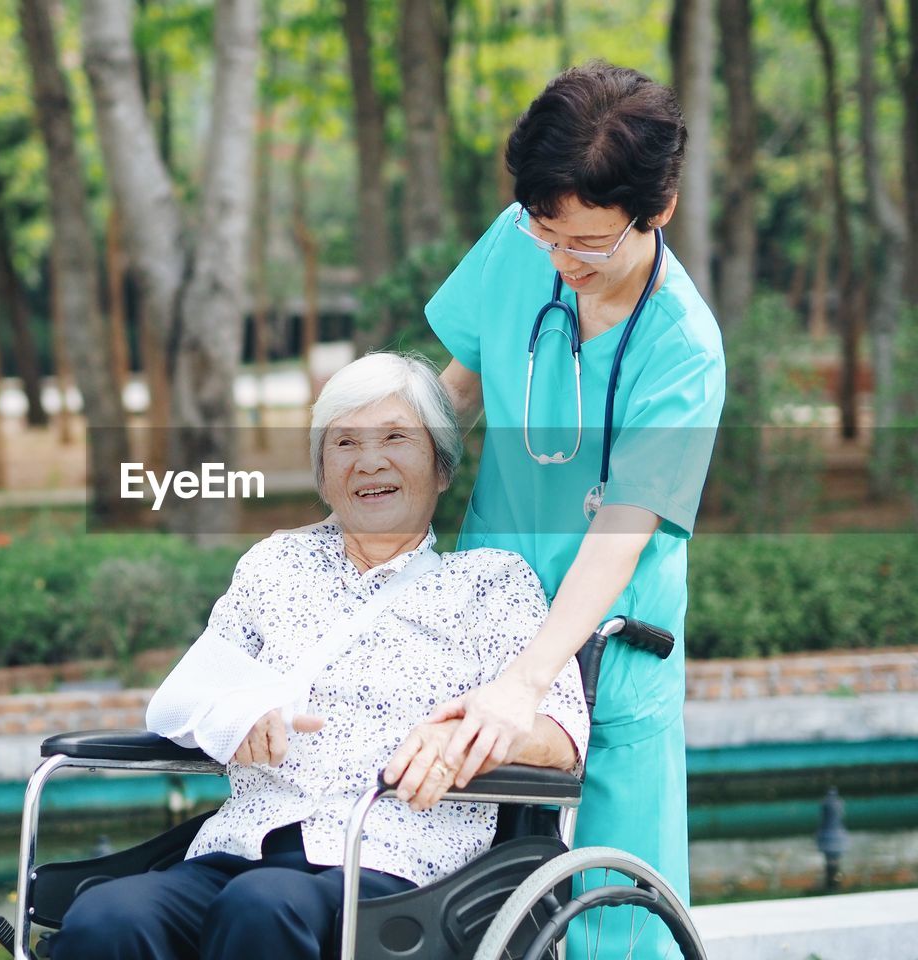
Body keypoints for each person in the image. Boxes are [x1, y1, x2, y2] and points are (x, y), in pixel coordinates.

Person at [48, 353, 589, 960]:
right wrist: (235, 714)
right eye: (345, 444)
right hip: (242, 846)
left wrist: (462, 738)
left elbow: (562, 737)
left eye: (396, 438)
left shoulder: (490, 584)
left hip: (393, 860)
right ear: (324, 476)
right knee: (105, 915)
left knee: (261, 907)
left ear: (441, 468)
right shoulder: (274, 566)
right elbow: (186, 696)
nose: (369, 461)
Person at [421, 60, 726, 940]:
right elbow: (458, 392)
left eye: (589, 243)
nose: (562, 259)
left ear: (657, 211)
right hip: (481, 622)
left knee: (613, 923)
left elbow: (623, 532)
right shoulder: (521, 240)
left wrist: (529, 680)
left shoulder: (683, 351)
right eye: (547, 231)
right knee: (466, 910)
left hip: (605, 648)